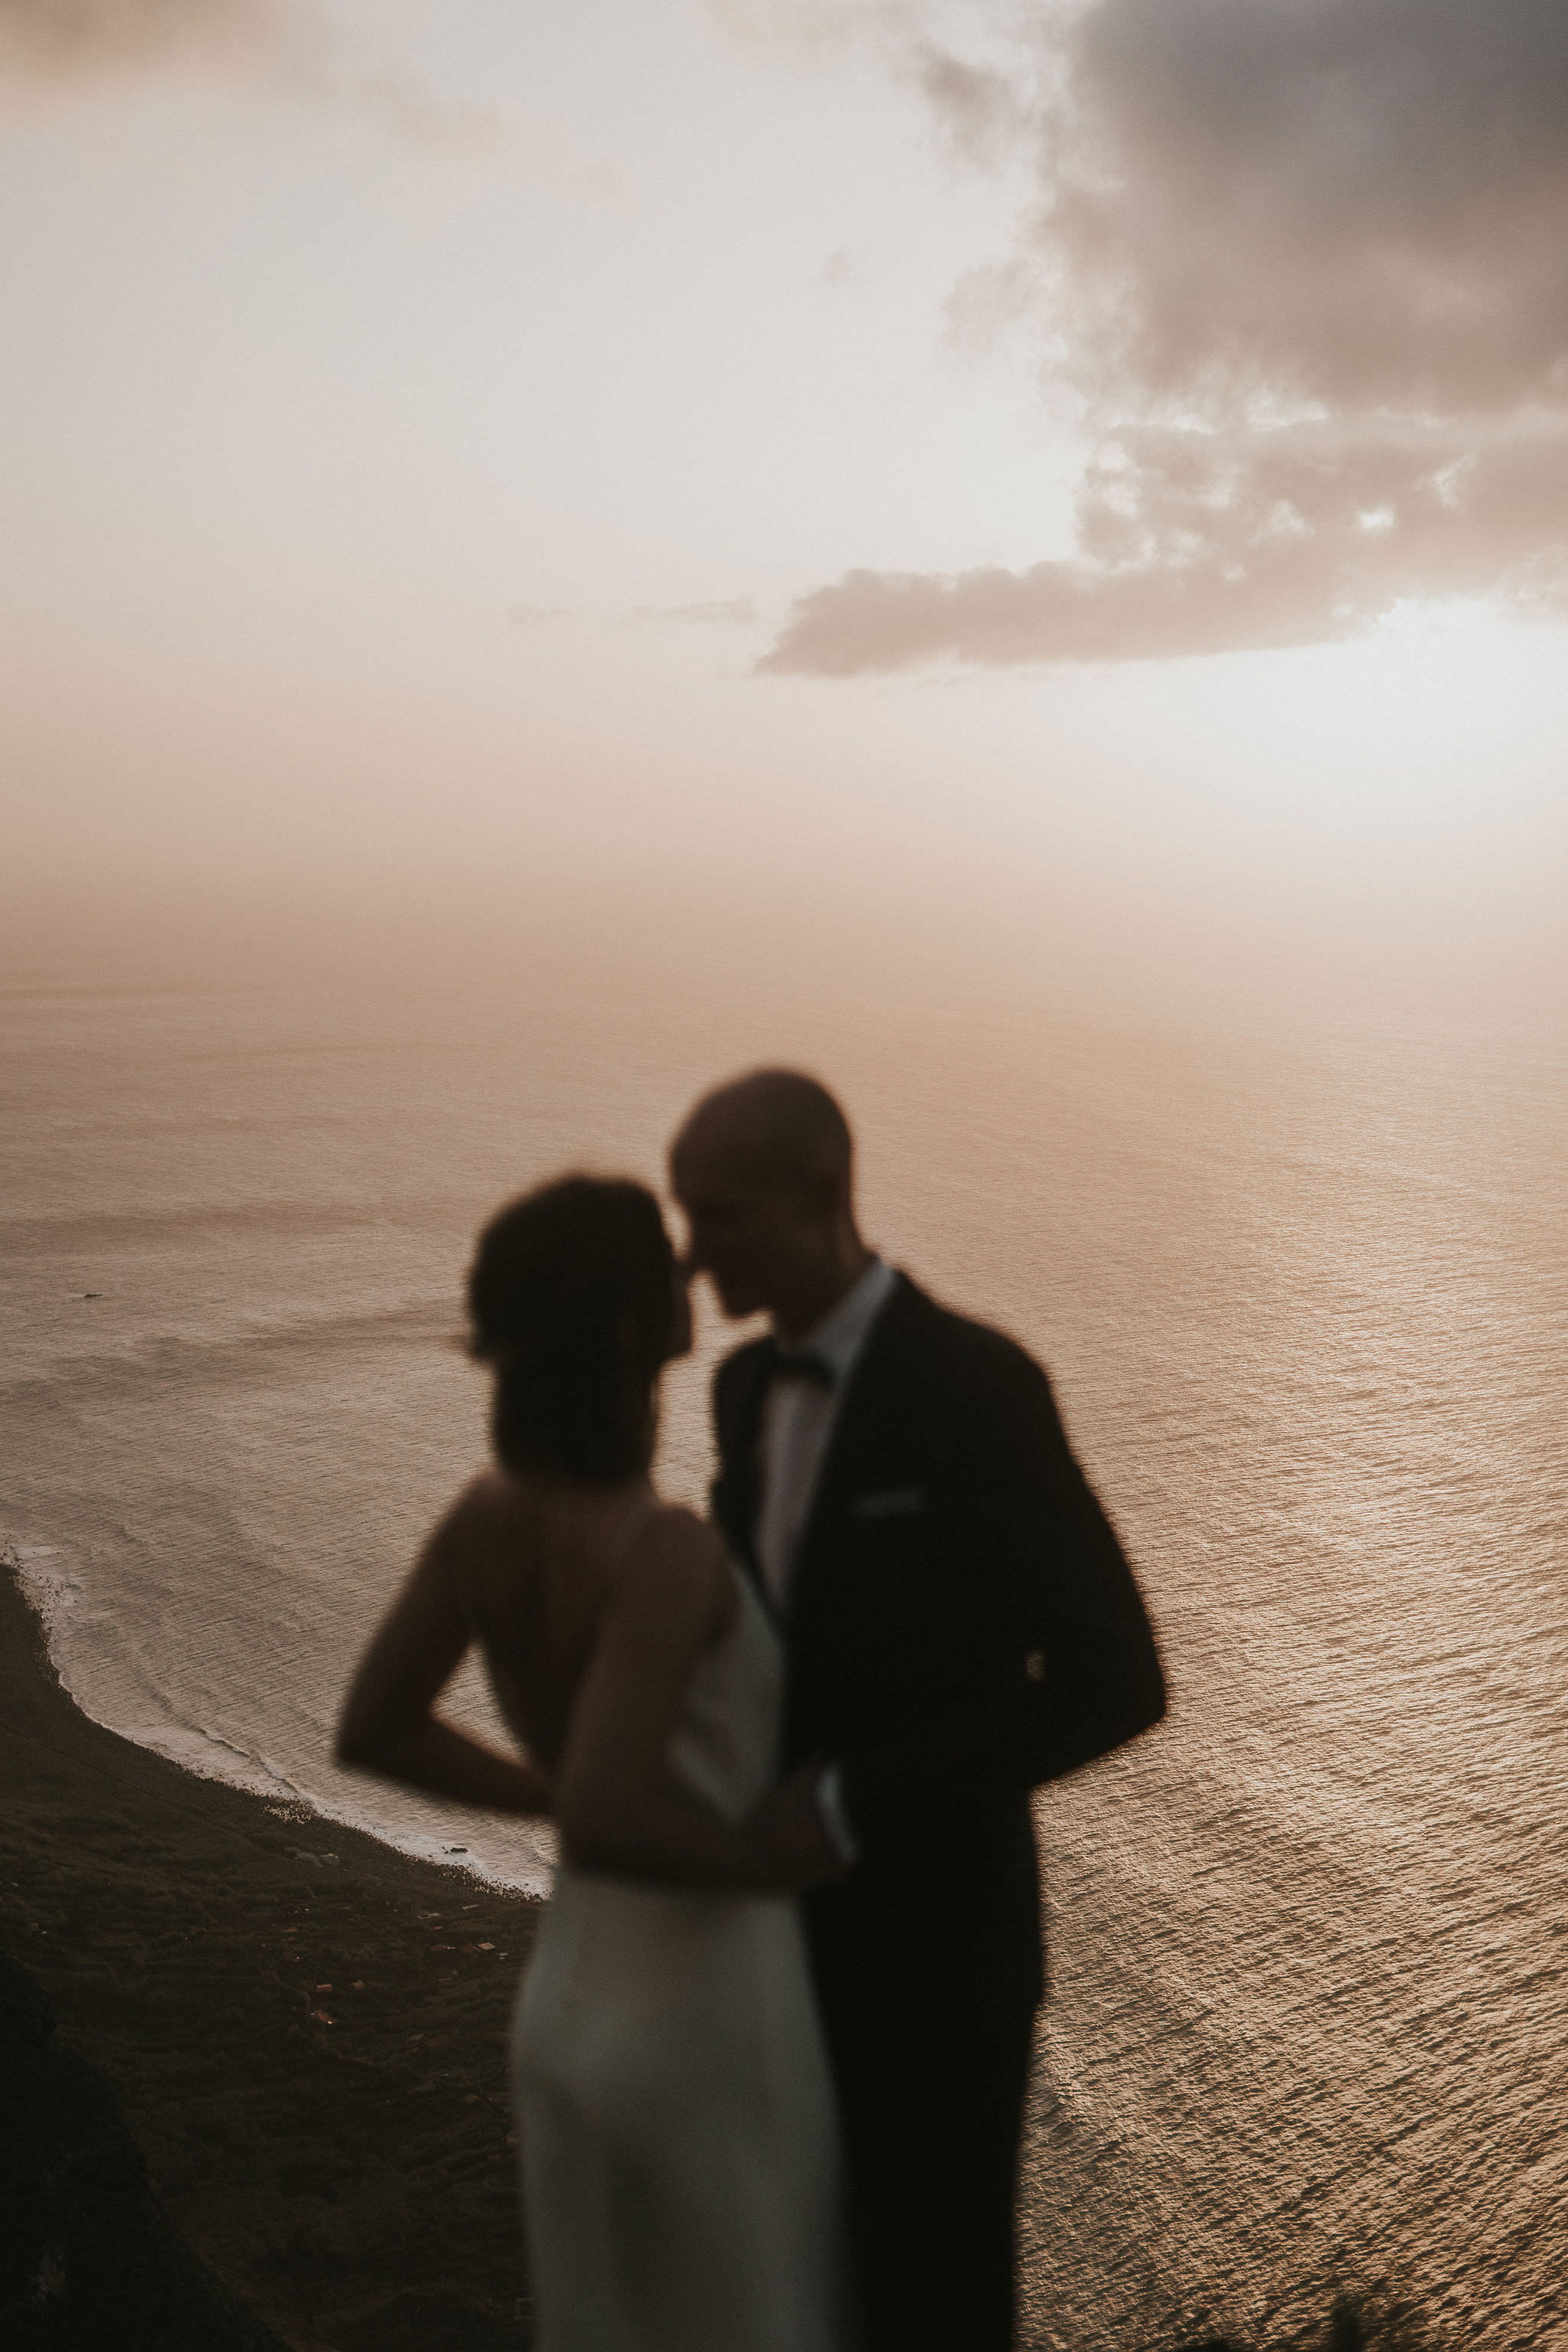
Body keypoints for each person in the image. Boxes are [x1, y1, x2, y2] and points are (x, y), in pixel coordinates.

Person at [670, 1070, 1168, 2352]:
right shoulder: (737, 1396)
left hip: (942, 1965)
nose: (693, 1252)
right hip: (776, 1949)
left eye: (718, 1215)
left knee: (937, 2309)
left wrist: (852, 1798)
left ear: (822, 1195)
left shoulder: (977, 1386)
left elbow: (1119, 1676)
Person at [335, 1174, 858, 2352]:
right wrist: (756, 1857)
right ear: (630, 1331)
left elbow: (376, 1723)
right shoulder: (659, 1550)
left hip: (569, 2011)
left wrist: (553, 1788)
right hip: (705, 2019)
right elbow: (612, 1817)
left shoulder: (485, 1516)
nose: (692, 1273)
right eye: (666, 1263)